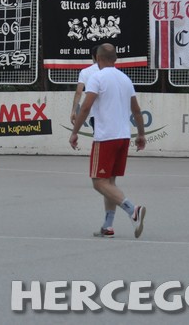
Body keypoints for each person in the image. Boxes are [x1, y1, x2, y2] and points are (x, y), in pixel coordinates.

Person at [69, 43, 147, 239]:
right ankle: (108, 226)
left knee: (98, 182)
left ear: (97, 58)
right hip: (122, 137)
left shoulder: (97, 77)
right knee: (110, 182)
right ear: (116, 59)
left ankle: (132, 210)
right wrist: (141, 134)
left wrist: (74, 132)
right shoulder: (125, 79)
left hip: (105, 137)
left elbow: (85, 108)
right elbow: (136, 110)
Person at [70, 45, 100, 126]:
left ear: (93, 57)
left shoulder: (85, 72)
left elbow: (78, 92)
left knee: (98, 137)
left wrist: (74, 111)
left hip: (95, 113)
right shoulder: (113, 71)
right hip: (112, 112)